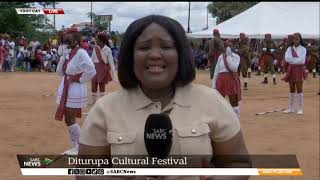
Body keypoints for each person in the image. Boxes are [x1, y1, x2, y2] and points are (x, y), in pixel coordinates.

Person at [78, 15, 249, 180]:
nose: (154, 55)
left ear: (180, 54)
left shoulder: (211, 101)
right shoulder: (105, 109)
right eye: (144, 47)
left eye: (166, 47)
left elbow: (238, 163)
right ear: (130, 56)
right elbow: (86, 171)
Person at [55, 28, 96, 155]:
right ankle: (77, 145)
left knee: (69, 117)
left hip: (74, 87)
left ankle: (79, 146)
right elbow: (60, 72)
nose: (66, 43)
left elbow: (91, 69)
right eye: (65, 40)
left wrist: (80, 79)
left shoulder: (81, 52)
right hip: (66, 84)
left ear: (76, 40)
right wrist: (63, 58)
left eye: (69, 40)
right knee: (68, 118)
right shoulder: (69, 52)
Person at [212, 40, 241, 119]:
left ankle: (236, 120)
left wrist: (228, 56)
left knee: (234, 102)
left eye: (230, 46)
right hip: (221, 81)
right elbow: (216, 71)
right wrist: (213, 85)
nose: (228, 48)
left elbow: (234, 68)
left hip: (231, 80)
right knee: (219, 102)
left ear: (233, 47)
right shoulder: (220, 57)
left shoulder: (236, 57)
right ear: (224, 48)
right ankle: (220, 120)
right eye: (226, 46)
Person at [282, 33, 307, 115]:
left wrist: (292, 60)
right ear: (292, 40)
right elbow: (287, 59)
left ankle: (300, 108)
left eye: (297, 38)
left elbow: (302, 61)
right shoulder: (289, 49)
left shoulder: (303, 49)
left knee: (299, 88)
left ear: (300, 39)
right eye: (294, 39)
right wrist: (296, 60)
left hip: (299, 69)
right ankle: (291, 108)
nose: (295, 40)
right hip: (291, 69)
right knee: (291, 88)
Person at [90, 32, 117, 104]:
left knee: (102, 86)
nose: (96, 41)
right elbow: (91, 60)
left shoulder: (108, 49)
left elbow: (111, 62)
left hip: (103, 69)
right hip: (95, 68)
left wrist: (114, 75)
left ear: (102, 41)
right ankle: (94, 102)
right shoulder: (95, 49)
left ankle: (102, 102)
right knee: (93, 85)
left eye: (97, 40)